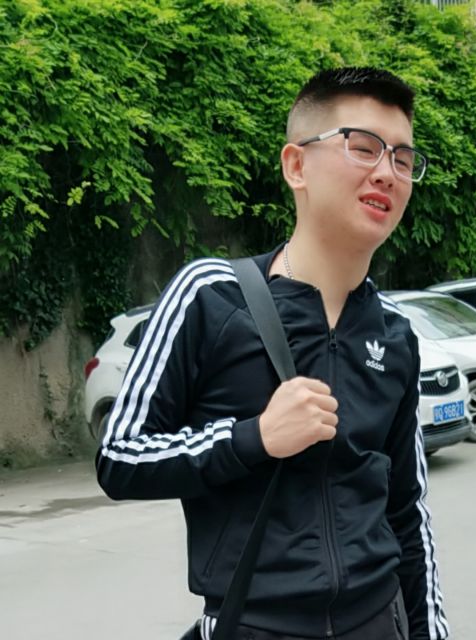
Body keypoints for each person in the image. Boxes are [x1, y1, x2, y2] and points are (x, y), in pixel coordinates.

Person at [96, 66, 449, 640]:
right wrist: (253, 438)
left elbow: (408, 513)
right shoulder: (212, 296)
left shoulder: (394, 333)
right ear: (296, 165)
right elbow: (120, 456)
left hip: (378, 621)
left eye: (404, 159)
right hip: (255, 624)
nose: (387, 172)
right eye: (363, 147)